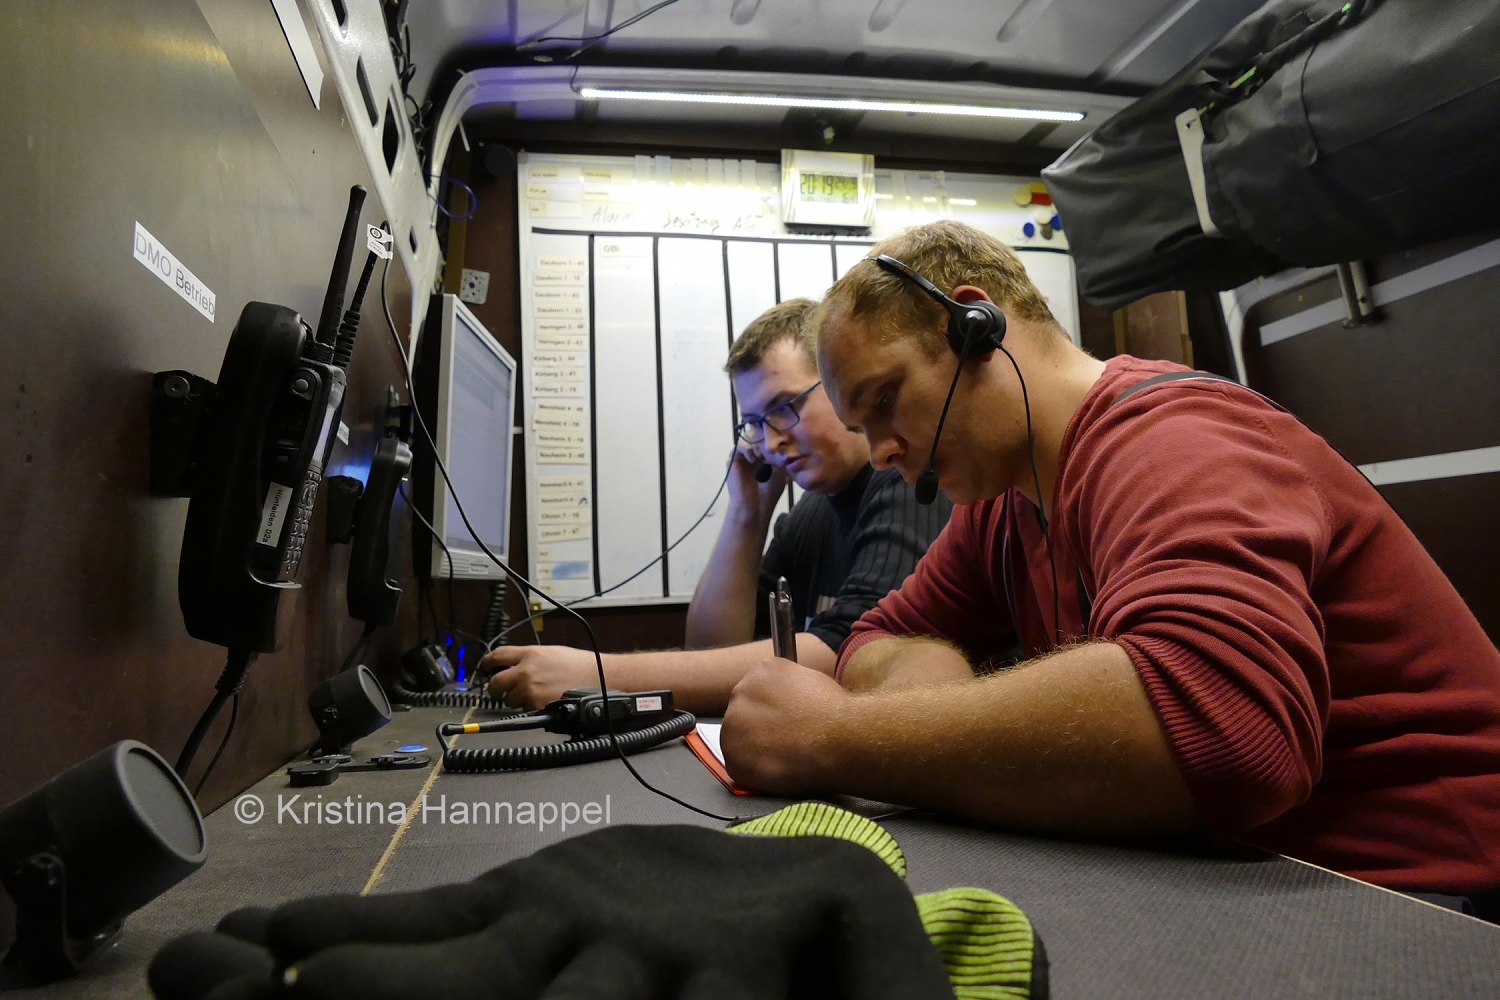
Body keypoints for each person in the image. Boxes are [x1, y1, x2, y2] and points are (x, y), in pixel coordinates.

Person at [719, 220, 1500, 905]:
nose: (883, 452)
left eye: (887, 399)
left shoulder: (1175, 436)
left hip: (1432, 892)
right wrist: (919, 727)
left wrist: (835, 736)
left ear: (974, 326)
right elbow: (877, 637)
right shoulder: (1002, 502)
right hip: (1254, 878)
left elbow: (1231, 736)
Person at [481, 298, 953, 714]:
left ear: (837, 385)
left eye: (783, 407)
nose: (770, 441)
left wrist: (601, 676)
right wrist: (747, 516)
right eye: (755, 423)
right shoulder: (810, 513)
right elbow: (712, 647)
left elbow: (849, 651)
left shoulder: (909, 482)